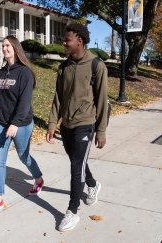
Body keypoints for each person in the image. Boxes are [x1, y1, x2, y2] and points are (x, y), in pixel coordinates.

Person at [46, 23, 109, 232]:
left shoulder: (96, 65)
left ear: (79, 41)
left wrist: (101, 130)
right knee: (78, 161)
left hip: (86, 123)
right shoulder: (63, 67)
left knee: (75, 168)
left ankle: (72, 211)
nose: (64, 43)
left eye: (67, 40)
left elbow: (102, 100)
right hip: (67, 125)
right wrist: (53, 123)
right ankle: (92, 184)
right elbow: (57, 97)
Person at [0, 35, 44, 215]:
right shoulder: (2, 72)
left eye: (8, 45)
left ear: (16, 48)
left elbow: (24, 102)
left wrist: (15, 123)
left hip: (21, 124)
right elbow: (0, 99)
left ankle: (38, 179)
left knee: (24, 156)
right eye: (3, 46)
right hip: (1, 123)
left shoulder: (25, 72)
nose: (5, 48)